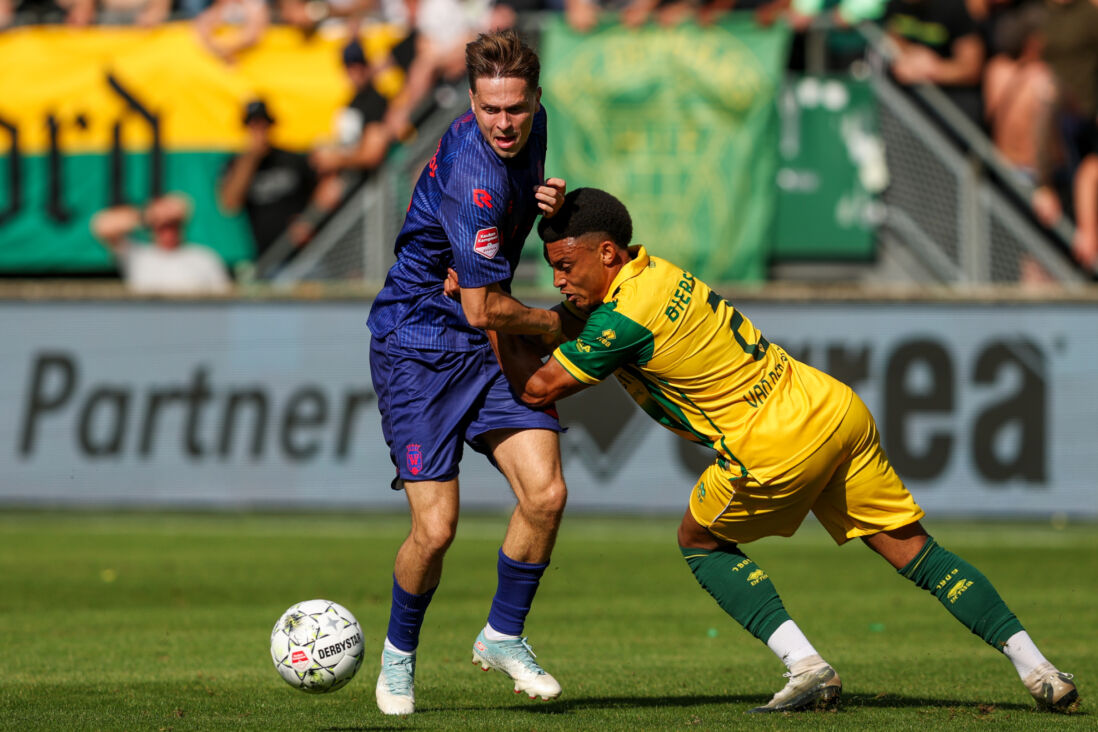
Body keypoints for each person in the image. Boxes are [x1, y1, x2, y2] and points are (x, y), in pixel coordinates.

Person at [493, 187, 1081, 714]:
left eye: (566, 267)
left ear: (607, 255)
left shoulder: (621, 319)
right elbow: (564, 322)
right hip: (832, 408)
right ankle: (1039, 670)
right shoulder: (656, 274)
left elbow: (537, 388)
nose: (561, 282)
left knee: (698, 540)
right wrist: (513, 305)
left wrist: (489, 319)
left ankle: (806, 666)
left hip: (773, 444)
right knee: (918, 554)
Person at [365, 29, 569, 716]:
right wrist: (558, 326)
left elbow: (499, 266)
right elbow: (484, 306)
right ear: (471, 103)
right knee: (437, 530)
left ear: (535, 99)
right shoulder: (475, 180)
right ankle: (397, 660)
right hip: (419, 346)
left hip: (485, 344)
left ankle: (503, 635)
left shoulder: (535, 129)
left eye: (516, 108)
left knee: (544, 495)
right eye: (490, 111)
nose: (505, 124)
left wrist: (549, 214)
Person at [219, 100, 318, 262]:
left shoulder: (291, 159)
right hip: (265, 257)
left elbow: (321, 192)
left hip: (304, 254)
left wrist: (309, 220)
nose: (259, 130)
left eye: (263, 124)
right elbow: (230, 204)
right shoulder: (235, 164)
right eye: (253, 125)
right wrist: (252, 156)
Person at [90, 193, 232, 295]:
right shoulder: (137, 254)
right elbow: (101, 226)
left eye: (173, 224)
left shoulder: (204, 257)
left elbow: (224, 299)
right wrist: (146, 216)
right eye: (162, 226)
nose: (168, 232)